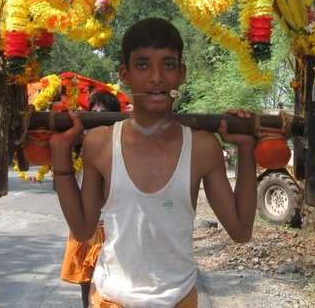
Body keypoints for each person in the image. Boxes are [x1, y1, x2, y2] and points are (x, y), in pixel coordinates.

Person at [50, 17, 257, 308]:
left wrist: (247, 150)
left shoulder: (202, 148)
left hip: (178, 300)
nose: (156, 77)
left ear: (181, 73)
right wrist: (61, 158)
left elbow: (241, 231)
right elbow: (84, 230)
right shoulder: (100, 144)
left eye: (168, 64)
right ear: (126, 74)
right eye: (143, 64)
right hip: (111, 299)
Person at [60, 90, 122, 308]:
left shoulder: (123, 146)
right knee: (87, 287)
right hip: (88, 227)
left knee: (113, 289)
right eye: (92, 114)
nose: (96, 119)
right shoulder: (81, 146)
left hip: (115, 227)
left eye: (102, 115)